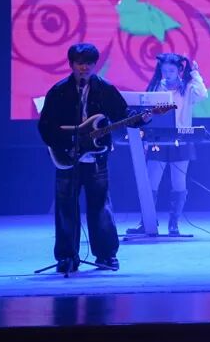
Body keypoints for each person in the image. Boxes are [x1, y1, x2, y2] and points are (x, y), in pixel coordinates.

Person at [37, 43, 146, 272]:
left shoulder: (105, 89)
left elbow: (122, 114)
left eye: (88, 63)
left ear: (95, 65)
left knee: (101, 207)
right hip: (66, 157)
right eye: (79, 63)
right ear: (71, 64)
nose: (84, 68)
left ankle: (106, 255)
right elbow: (45, 125)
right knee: (66, 208)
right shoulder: (59, 91)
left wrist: (140, 119)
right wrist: (64, 145)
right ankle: (67, 257)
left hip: (97, 157)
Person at [126, 52, 208, 236]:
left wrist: (195, 74)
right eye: (165, 71)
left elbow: (203, 94)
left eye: (171, 70)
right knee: (151, 182)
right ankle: (147, 222)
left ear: (179, 70)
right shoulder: (156, 87)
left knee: (178, 182)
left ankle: (174, 223)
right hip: (158, 140)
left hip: (181, 140)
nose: (168, 74)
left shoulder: (187, 88)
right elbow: (147, 113)